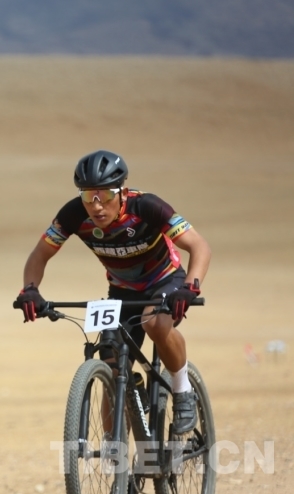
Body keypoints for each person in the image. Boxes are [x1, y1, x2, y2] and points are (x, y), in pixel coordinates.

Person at [14, 150, 211, 434]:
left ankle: (182, 393)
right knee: (111, 361)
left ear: (123, 193)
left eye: (105, 195)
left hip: (165, 281)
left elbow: (199, 246)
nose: (96, 206)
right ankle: (114, 449)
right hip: (122, 291)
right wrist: (30, 290)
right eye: (88, 196)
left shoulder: (147, 206)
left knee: (154, 323)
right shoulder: (73, 214)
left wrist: (190, 287)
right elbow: (39, 255)